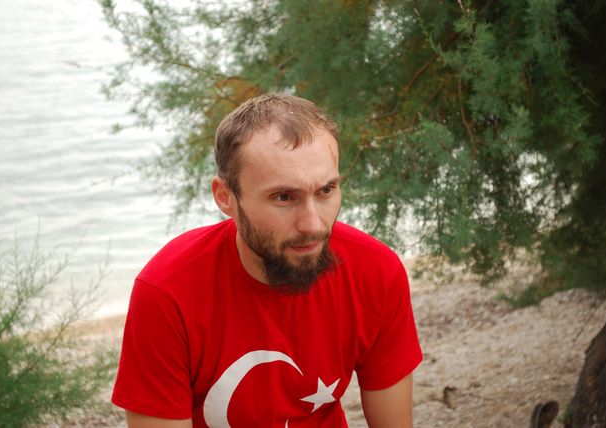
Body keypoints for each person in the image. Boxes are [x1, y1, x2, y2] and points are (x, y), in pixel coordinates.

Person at [111, 93, 422, 427]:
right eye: (284, 197)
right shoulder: (168, 293)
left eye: (325, 191)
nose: (313, 225)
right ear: (225, 197)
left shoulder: (375, 271)